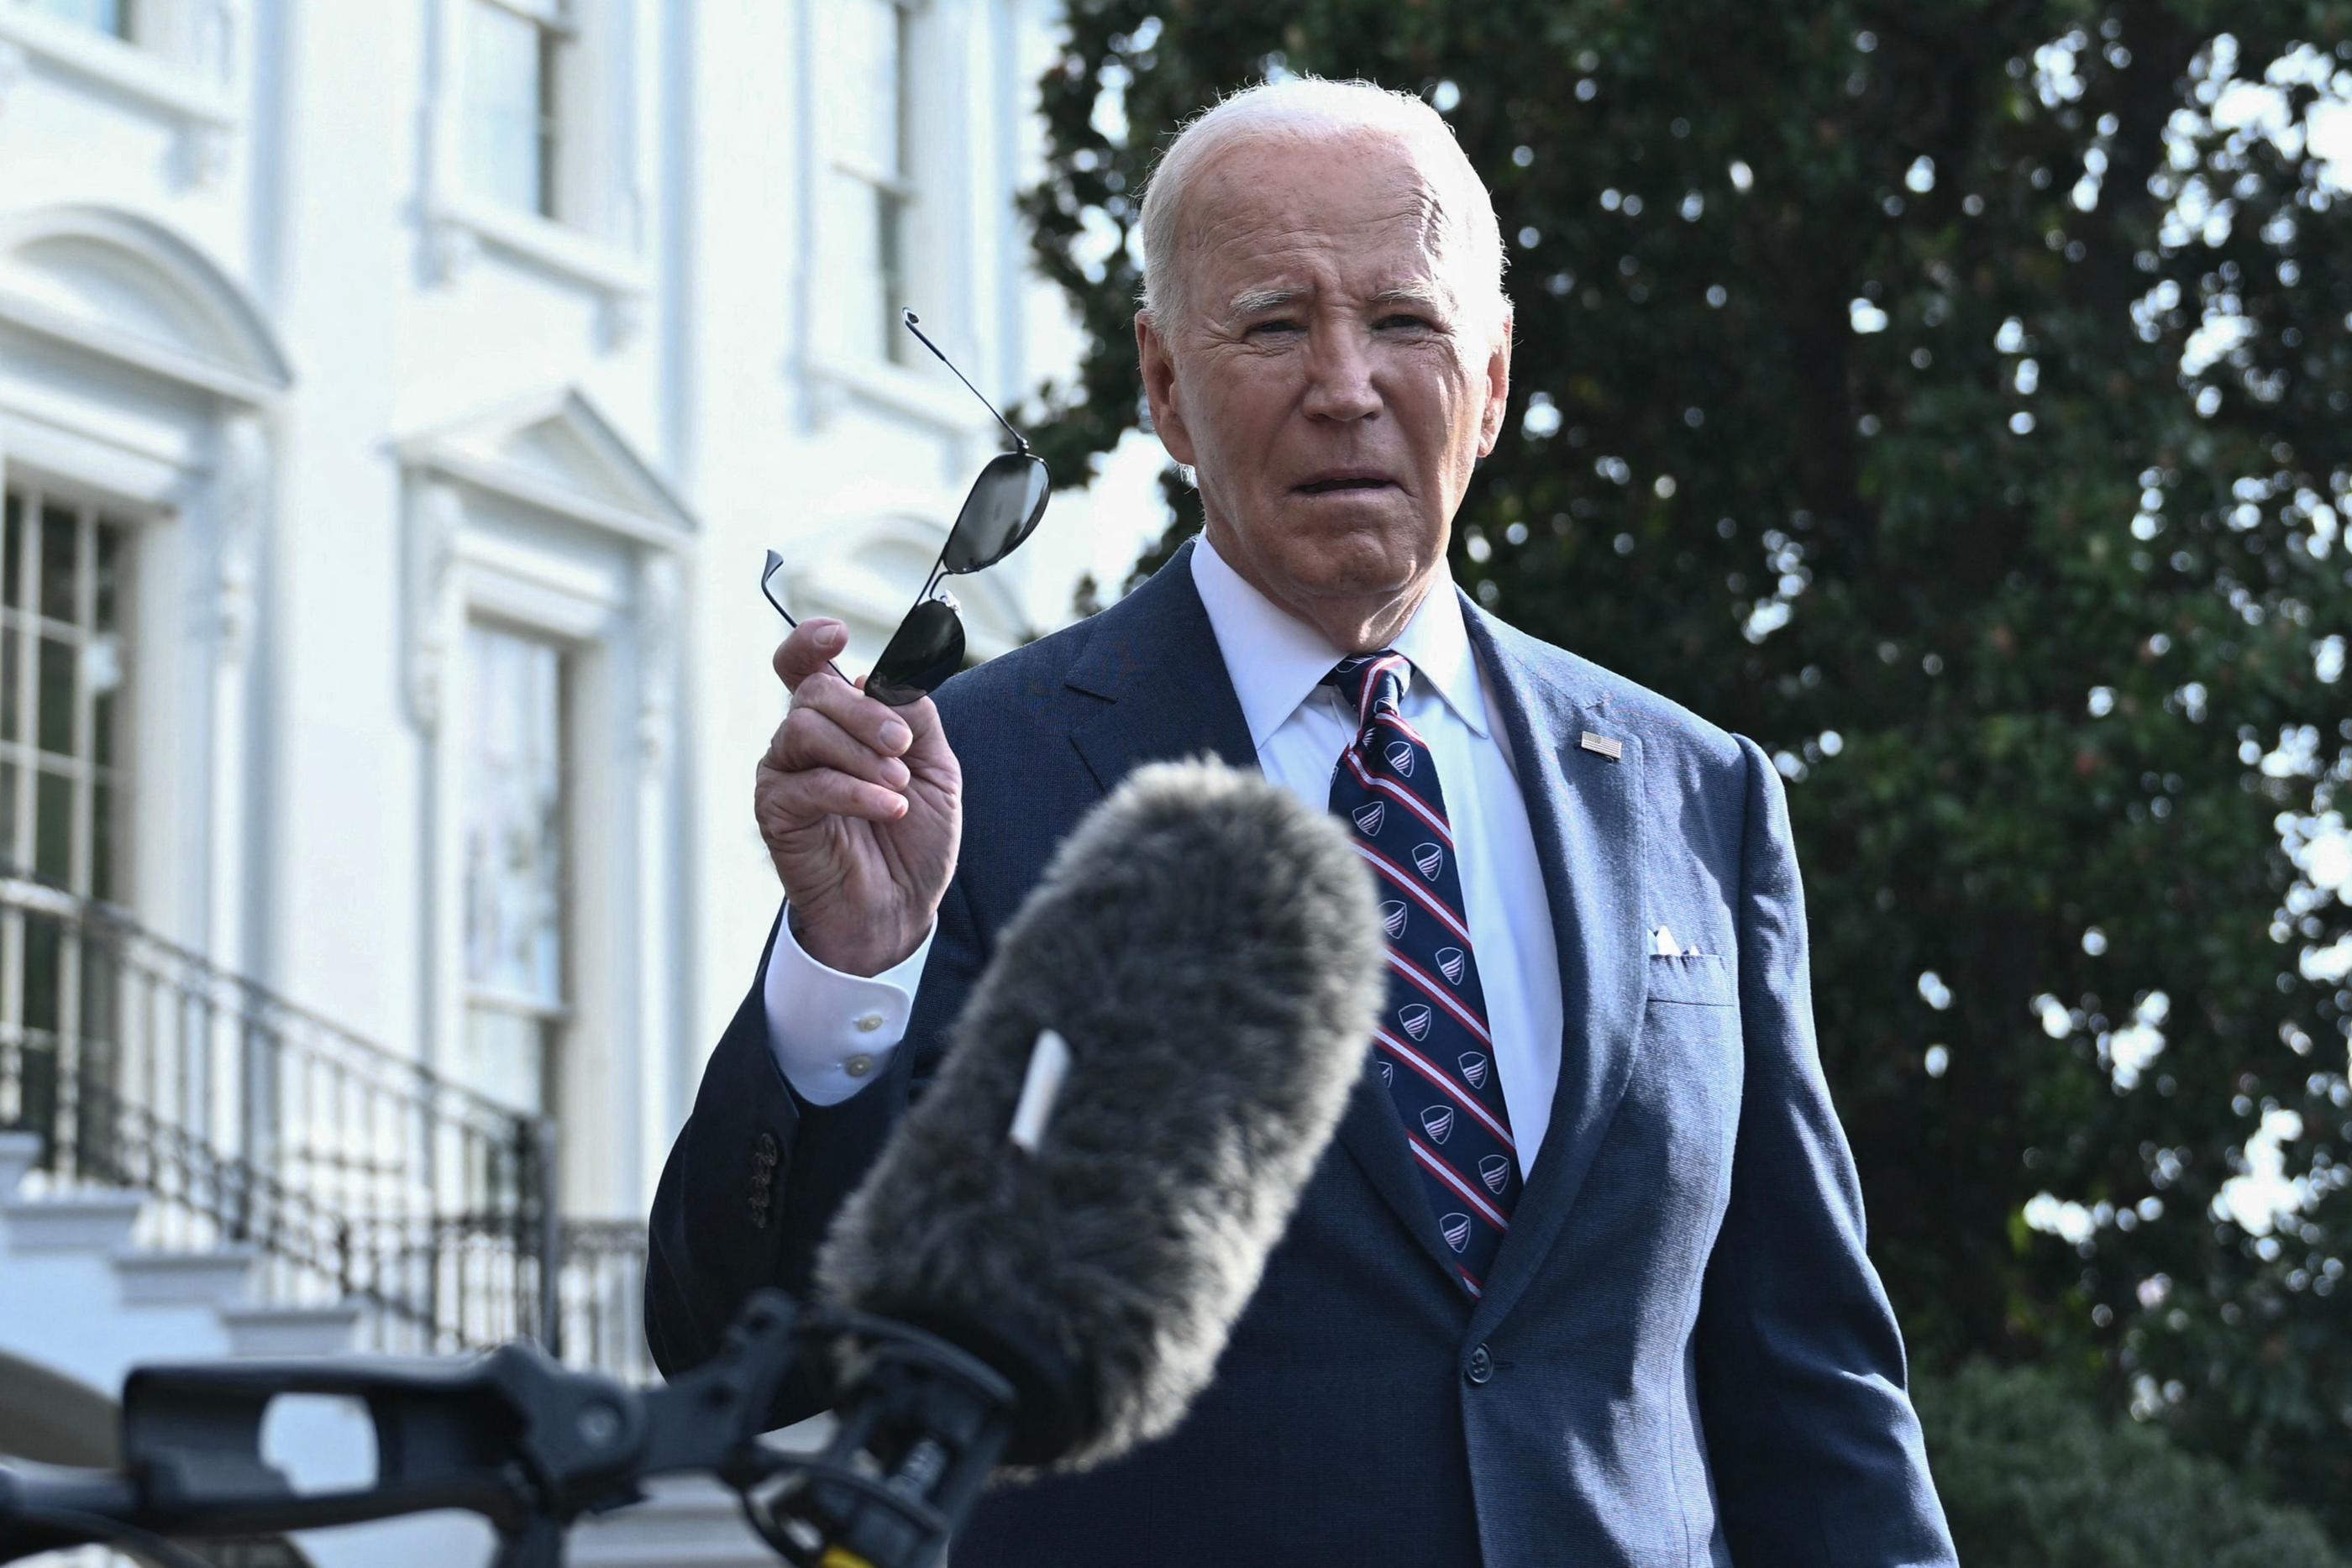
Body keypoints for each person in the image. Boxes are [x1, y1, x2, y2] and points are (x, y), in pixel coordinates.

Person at [647, 78, 1957, 1566]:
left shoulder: (1690, 793)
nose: (1346, 383)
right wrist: (845, 982)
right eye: (1274, 324)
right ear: (1162, 386)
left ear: (1496, 374)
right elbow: (737, 1351)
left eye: (1405, 322)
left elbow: (1815, 1387)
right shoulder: (971, 779)